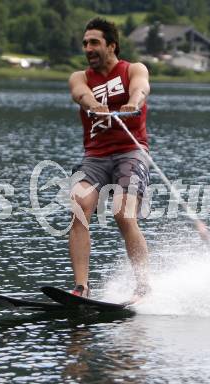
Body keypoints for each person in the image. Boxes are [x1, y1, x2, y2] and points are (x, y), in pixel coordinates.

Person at [68, 17, 151, 299]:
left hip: (131, 152)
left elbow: (141, 87)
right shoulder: (80, 77)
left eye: (94, 43)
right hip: (95, 156)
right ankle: (81, 288)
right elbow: (81, 94)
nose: (88, 48)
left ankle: (143, 287)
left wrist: (134, 101)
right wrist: (94, 105)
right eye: (85, 43)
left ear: (111, 45)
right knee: (78, 204)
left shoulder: (132, 69)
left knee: (122, 211)